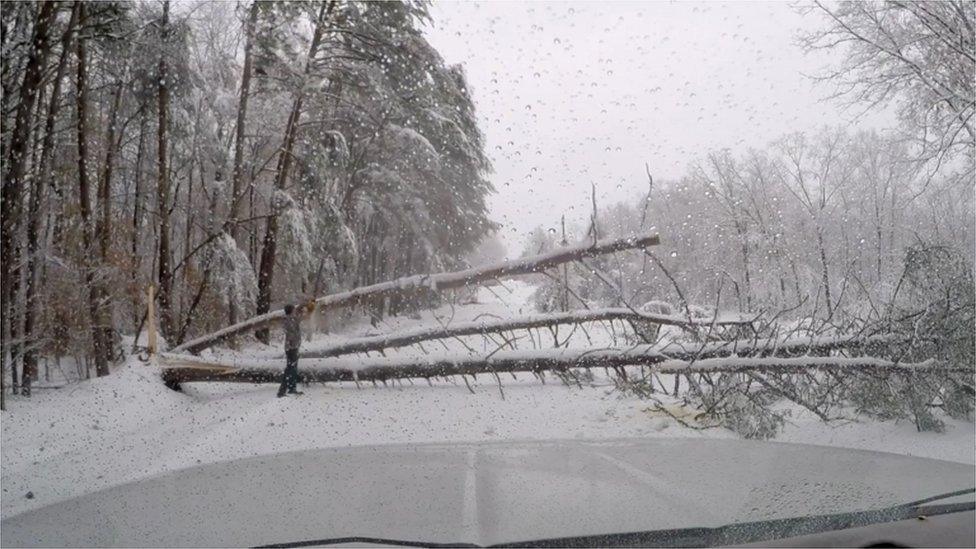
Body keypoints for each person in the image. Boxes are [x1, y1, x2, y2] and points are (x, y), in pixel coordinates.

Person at [277, 300, 314, 398]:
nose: (295, 311)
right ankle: (282, 391)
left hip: (293, 347)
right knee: (290, 369)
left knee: (293, 369)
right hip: (291, 347)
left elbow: (301, 316)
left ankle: (291, 388)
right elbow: (294, 328)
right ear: (291, 311)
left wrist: (306, 305)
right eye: (293, 310)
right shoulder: (289, 319)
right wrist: (306, 306)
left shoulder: (291, 318)